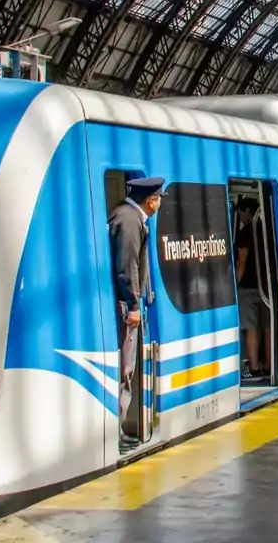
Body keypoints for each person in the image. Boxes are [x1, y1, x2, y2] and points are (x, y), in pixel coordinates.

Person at [109, 176, 166, 453]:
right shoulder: (131, 221)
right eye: (160, 197)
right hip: (125, 307)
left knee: (125, 370)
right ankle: (117, 434)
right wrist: (133, 305)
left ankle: (117, 429)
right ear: (150, 199)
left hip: (124, 303)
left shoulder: (126, 216)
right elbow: (127, 265)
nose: (160, 202)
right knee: (125, 370)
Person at [234, 196, 267, 379]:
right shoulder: (268, 229)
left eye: (240, 214)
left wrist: (234, 285)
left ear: (247, 212)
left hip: (248, 286)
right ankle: (266, 365)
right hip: (267, 288)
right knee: (264, 327)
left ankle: (253, 367)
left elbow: (242, 261)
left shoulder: (246, 232)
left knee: (251, 327)